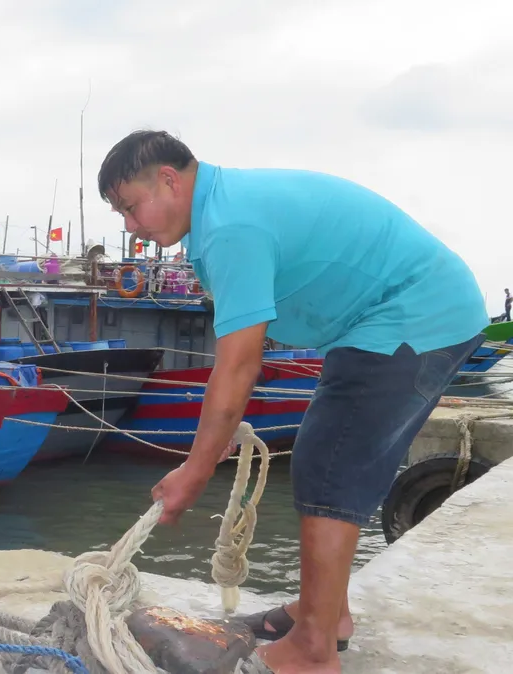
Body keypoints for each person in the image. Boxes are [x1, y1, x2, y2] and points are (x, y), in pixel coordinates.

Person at [96, 130, 487, 673]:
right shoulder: (221, 212)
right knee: (331, 456)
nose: (130, 227)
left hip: (414, 314)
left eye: (130, 207)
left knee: (329, 462)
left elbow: (238, 365)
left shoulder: (231, 226)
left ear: (168, 179)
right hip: (401, 316)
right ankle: (327, 614)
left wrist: (194, 468)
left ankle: (313, 649)